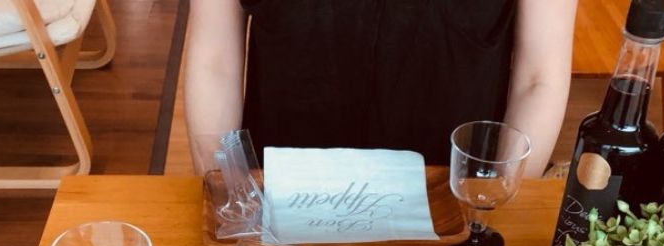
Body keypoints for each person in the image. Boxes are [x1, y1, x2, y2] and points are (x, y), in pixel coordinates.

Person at [184, 0, 577, 177]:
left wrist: (499, 205)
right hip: (280, 196)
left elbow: (539, 77)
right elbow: (214, 60)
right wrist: (227, 194)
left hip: (455, 204)